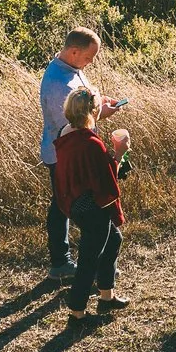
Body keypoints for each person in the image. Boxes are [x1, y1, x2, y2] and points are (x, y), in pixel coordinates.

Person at [39, 28, 117, 278]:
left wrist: (100, 100)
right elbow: (75, 124)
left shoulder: (72, 70)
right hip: (65, 154)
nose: (91, 62)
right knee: (69, 204)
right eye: (89, 57)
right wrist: (102, 113)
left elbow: (83, 101)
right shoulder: (57, 84)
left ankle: (65, 262)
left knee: (62, 204)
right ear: (73, 52)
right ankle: (66, 263)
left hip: (74, 150)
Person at [52, 87, 124, 318]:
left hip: (74, 202)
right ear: (92, 112)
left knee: (113, 240)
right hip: (92, 206)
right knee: (89, 258)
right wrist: (120, 154)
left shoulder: (65, 132)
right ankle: (77, 312)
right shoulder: (91, 143)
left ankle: (106, 296)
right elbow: (105, 177)